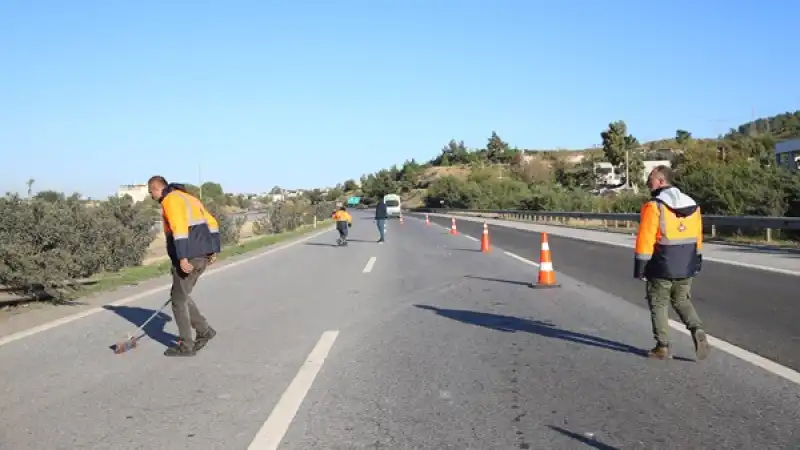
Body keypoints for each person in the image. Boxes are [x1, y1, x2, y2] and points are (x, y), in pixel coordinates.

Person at [634, 166, 709, 361]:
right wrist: (697, 260)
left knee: (658, 304)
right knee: (682, 300)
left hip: (661, 264)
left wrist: (640, 267)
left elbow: (646, 238)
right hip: (687, 263)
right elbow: (697, 236)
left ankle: (662, 346)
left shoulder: (655, 206)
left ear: (660, 181)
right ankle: (697, 329)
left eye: (650, 179)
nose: (648, 183)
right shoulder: (692, 204)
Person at [148, 176, 221, 357]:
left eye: (151, 193)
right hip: (201, 255)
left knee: (178, 300)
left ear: (157, 189)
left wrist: (182, 257)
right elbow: (212, 223)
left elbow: (179, 228)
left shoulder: (170, 200)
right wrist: (212, 250)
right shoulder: (189, 197)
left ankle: (186, 345)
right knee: (181, 294)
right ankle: (204, 330)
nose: (151, 197)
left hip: (189, 257)